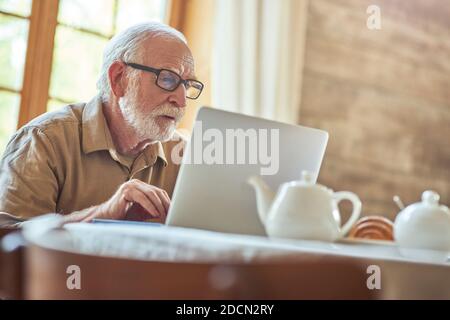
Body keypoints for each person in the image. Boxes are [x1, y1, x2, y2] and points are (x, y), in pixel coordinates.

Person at [0, 22, 204, 226]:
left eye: (187, 85)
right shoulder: (43, 140)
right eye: (167, 79)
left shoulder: (186, 156)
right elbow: (7, 243)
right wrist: (103, 214)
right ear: (119, 78)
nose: (182, 100)